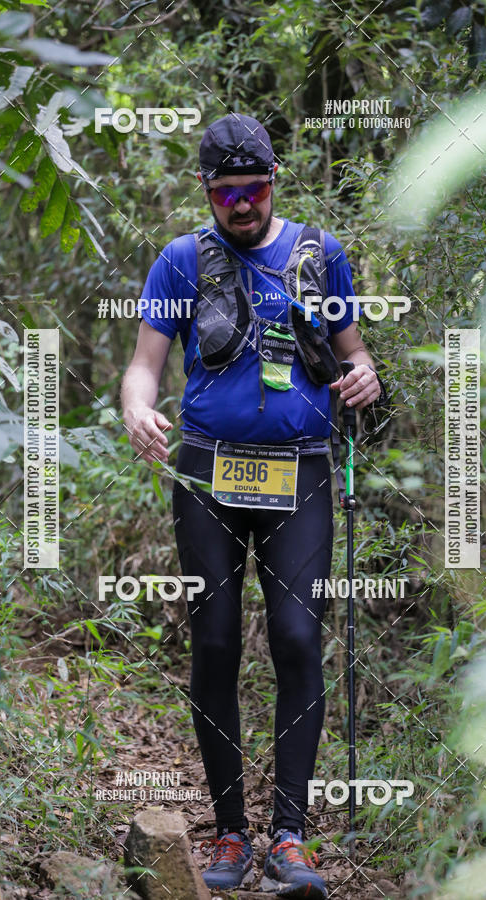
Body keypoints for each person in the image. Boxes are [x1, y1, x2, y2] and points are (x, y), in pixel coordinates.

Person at [122, 113, 384, 900]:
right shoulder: (181, 260)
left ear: (275, 180)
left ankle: (291, 840)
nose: (241, 204)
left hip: (299, 473)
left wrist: (365, 376)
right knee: (215, 645)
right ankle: (231, 831)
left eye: (254, 188)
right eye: (225, 191)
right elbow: (144, 365)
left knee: (299, 638)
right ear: (206, 190)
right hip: (207, 474)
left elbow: (354, 351)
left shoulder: (320, 254)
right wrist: (137, 408)